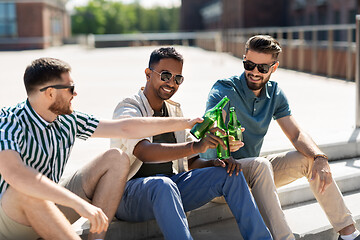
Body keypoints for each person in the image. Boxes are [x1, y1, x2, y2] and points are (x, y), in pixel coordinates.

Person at [0, 57, 202, 240]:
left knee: (117, 157)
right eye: (70, 88)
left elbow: (126, 127)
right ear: (51, 92)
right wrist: (79, 204)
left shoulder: (68, 119)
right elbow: (18, 175)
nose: (76, 93)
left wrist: (187, 122)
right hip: (12, 221)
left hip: (51, 207)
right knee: (24, 191)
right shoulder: (8, 121)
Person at [201, 35, 360, 240]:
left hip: (252, 173)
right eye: (249, 64)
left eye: (262, 68)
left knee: (308, 158)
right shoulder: (224, 89)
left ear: (273, 68)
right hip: (219, 176)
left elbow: (296, 134)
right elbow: (211, 123)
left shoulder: (274, 93)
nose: (254, 72)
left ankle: (348, 234)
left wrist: (320, 158)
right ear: (244, 61)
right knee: (261, 165)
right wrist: (223, 139)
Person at [110, 47, 272, 240]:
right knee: (163, 185)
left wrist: (214, 163)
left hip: (171, 188)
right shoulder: (129, 108)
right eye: (166, 75)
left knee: (230, 174)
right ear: (148, 74)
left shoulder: (174, 112)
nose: (171, 83)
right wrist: (196, 146)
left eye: (178, 78)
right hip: (128, 196)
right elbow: (143, 151)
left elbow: (192, 162)